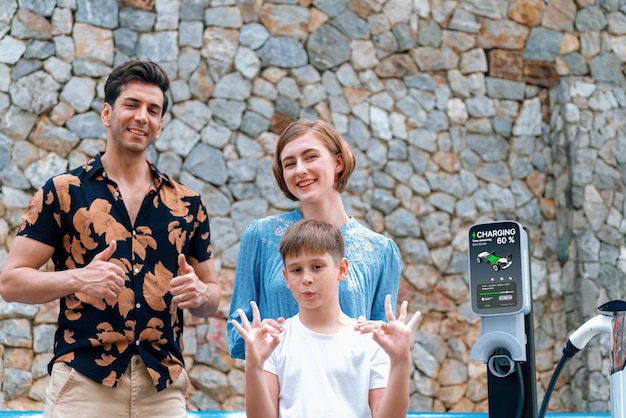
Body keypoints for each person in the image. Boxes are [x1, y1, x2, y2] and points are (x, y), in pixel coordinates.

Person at [0, 60, 220, 418]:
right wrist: (77, 278)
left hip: (162, 387)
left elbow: (211, 297)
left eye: (153, 109)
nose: (142, 117)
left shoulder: (188, 203)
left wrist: (200, 294)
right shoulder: (64, 191)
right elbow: (10, 282)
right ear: (107, 112)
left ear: (160, 124)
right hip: (84, 383)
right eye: (131, 105)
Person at [228, 119, 402, 359]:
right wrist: (256, 334)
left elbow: (386, 348)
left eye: (310, 157)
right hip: (278, 389)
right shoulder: (261, 236)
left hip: (350, 390)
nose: (299, 170)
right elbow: (237, 328)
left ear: (338, 162)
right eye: (289, 163)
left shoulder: (381, 251)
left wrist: (383, 337)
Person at [232, 218, 420, 418]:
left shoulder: (370, 340)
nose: (306, 278)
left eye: (317, 266)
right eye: (297, 270)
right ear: (286, 277)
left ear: (342, 269)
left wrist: (400, 361)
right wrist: (253, 366)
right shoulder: (274, 341)